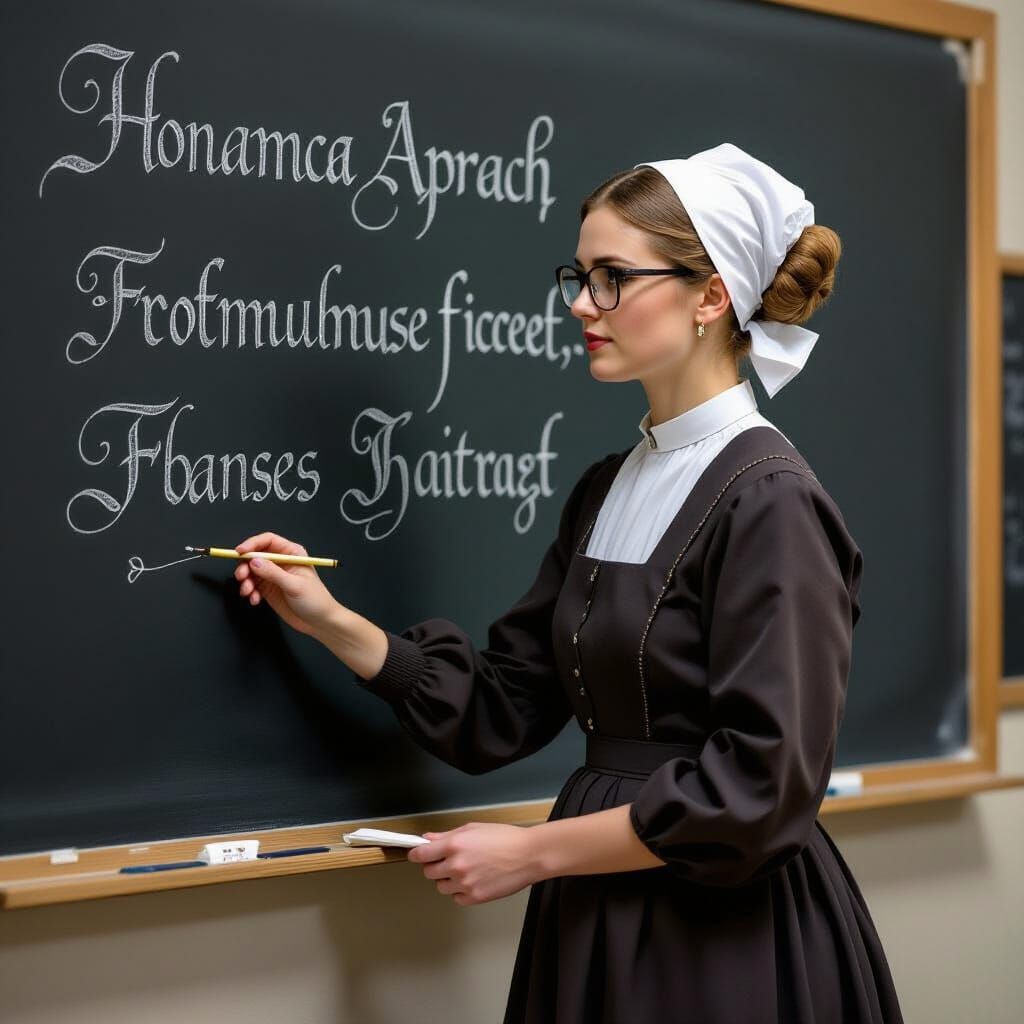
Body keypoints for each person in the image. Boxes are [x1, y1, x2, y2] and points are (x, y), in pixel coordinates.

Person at [232, 142, 904, 1023]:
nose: (583, 305)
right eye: (581, 276)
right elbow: (508, 704)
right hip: (598, 910)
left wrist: (535, 853)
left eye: (613, 277)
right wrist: (329, 622)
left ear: (710, 296)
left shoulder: (771, 502)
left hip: (723, 935)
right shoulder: (607, 485)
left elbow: (762, 789)